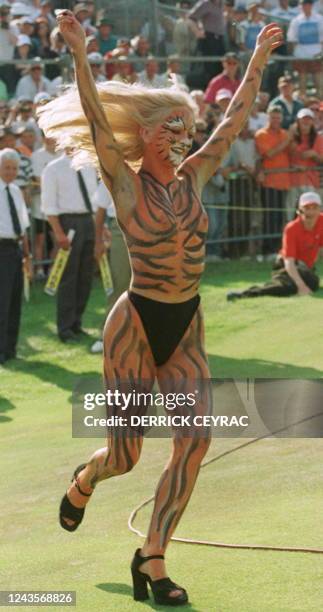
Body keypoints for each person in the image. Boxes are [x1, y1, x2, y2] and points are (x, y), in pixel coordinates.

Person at [38, 11, 282, 607]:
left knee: (195, 441)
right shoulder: (124, 183)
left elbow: (234, 118)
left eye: (185, 125)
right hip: (137, 322)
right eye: (171, 126)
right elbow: (96, 121)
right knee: (125, 454)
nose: (183, 134)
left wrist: (256, 61)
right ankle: (85, 479)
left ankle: (152, 556)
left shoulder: (196, 177)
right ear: (147, 135)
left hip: (188, 321)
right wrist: (79, 54)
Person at [41, 150, 97, 342]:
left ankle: (76, 323)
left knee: (85, 276)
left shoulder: (89, 166)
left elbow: (95, 199)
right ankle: (64, 328)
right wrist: (58, 232)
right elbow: (48, 206)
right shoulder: (53, 168)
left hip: (88, 221)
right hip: (67, 223)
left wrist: (100, 227)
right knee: (68, 277)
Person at [227, 191, 323, 300]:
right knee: (295, 285)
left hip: (306, 268)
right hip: (286, 266)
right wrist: (302, 286)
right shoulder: (291, 228)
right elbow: (289, 262)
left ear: (320, 209)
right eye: (307, 208)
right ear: (299, 210)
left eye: (314, 207)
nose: (311, 212)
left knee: (311, 283)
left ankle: (283, 283)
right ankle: (245, 293)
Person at [0, 148, 32, 364]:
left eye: (14, 168)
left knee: (14, 302)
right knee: (1, 302)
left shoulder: (16, 191)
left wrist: (27, 255)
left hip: (15, 250)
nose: (10, 172)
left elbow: (23, 226)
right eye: (6, 168)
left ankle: (11, 347)